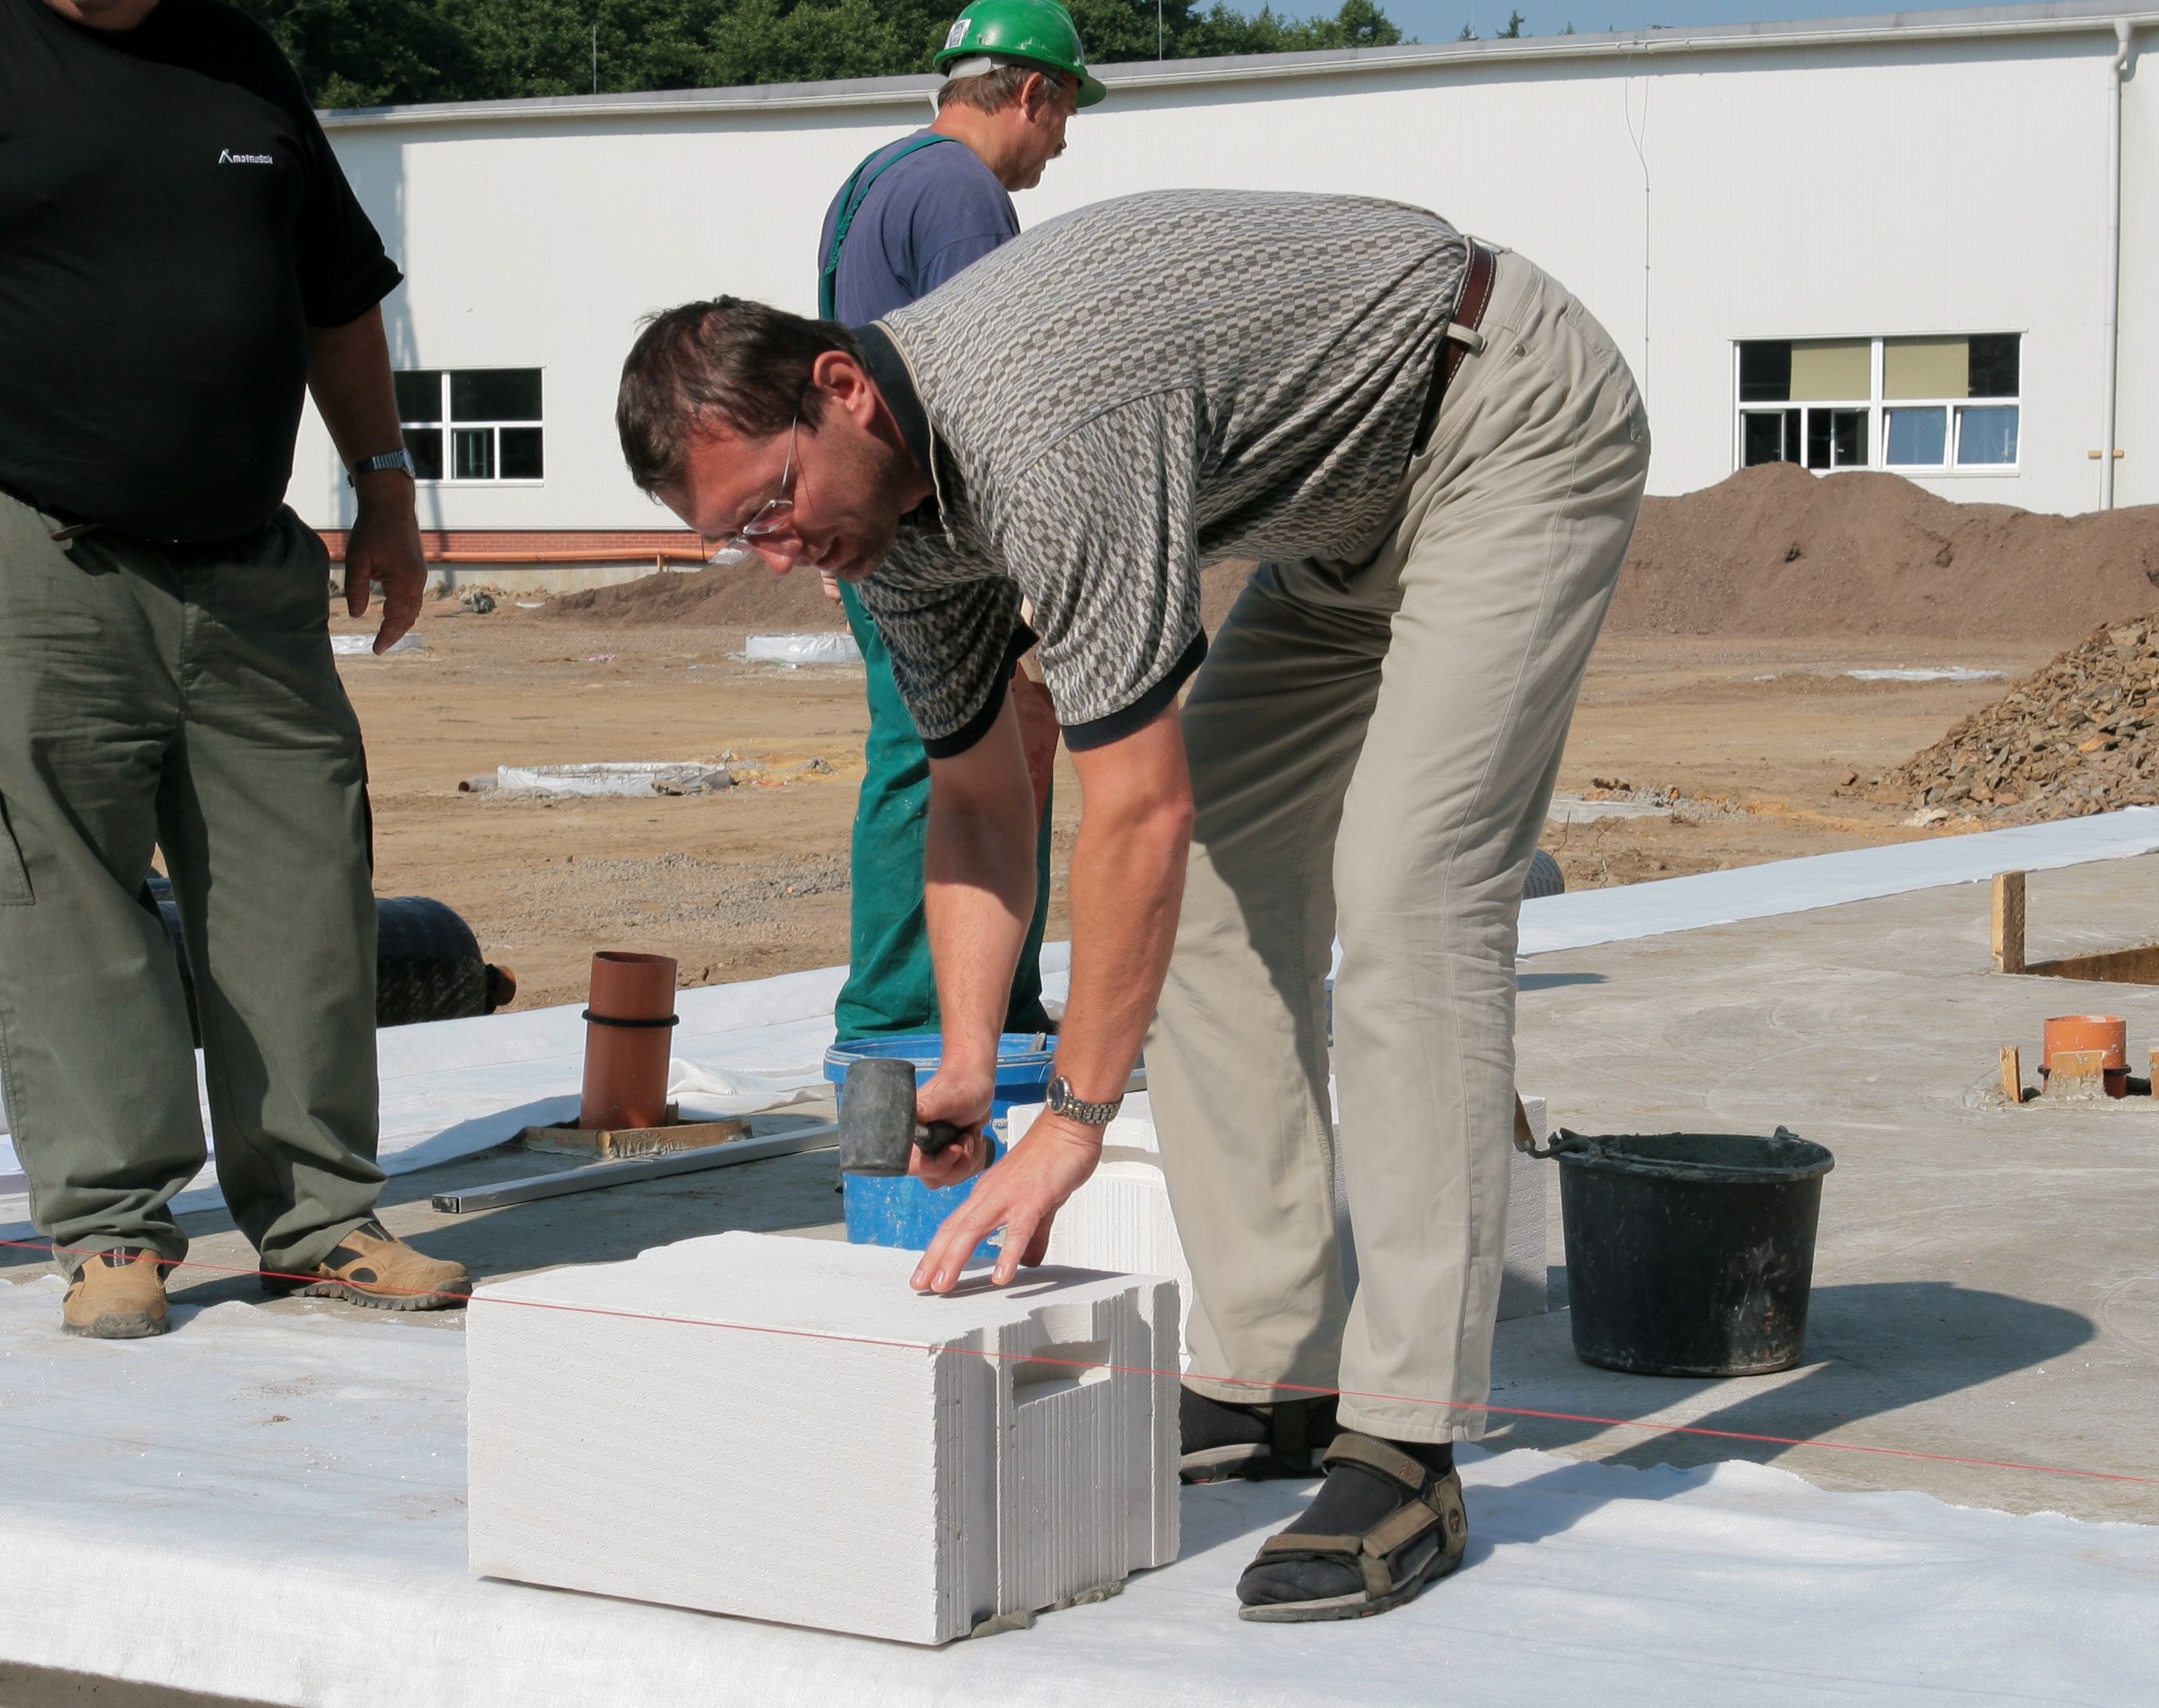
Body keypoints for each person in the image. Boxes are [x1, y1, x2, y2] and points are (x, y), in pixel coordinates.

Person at [616, 191, 1647, 1621]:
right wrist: (971, 1069)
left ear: (841, 389)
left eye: (773, 508)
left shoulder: (1036, 430)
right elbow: (979, 797)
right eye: (740, 539)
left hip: (1500, 420)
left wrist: (1076, 1124)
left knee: (1411, 892)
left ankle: (1408, 1435)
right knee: (1225, 888)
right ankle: (1278, 1372)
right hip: (1342, 520)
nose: (777, 553)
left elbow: (1134, 807)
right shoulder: (886, 530)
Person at [0, 0, 469, 1340]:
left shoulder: (236, 56)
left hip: (249, 568)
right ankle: (113, 1230)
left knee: (304, 888)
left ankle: (320, 1217)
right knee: (61, 902)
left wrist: (385, 485)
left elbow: (335, 298)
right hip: (38, 553)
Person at [812, 0, 1093, 1045]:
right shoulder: (963, 193)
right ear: (1032, 93)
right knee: (974, 756)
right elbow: (991, 393)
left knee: (930, 753)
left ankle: (940, 1008)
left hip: (879, 527)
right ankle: (913, 1017)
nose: (1062, 140)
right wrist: (1035, 569)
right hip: (938, 544)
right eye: (1063, 114)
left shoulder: (879, 177)